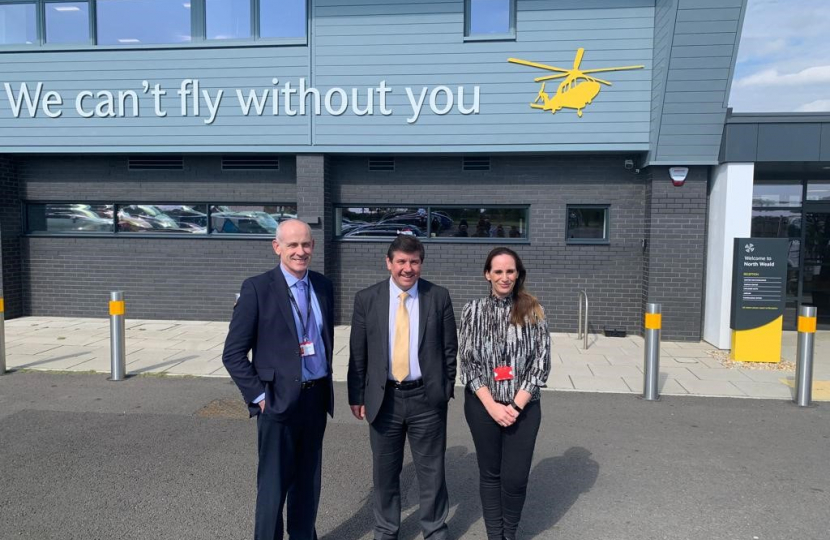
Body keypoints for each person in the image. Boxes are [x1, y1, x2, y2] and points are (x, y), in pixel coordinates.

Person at [222, 219, 334, 540]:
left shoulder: (324, 286)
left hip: (314, 401)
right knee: (273, 488)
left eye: (306, 244)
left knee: (307, 484)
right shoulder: (257, 288)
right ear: (277, 247)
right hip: (277, 403)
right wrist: (260, 398)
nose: (301, 252)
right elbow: (233, 354)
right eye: (293, 245)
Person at [348, 235, 458, 540]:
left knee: (432, 470)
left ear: (421, 263)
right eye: (401, 261)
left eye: (414, 262)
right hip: (385, 400)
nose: (407, 268)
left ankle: (435, 529)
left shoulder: (438, 296)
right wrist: (356, 395)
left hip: (427, 398)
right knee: (385, 473)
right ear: (389, 263)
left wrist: (444, 389)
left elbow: (450, 349)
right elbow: (358, 352)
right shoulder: (367, 299)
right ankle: (386, 530)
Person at [458, 247, 551, 540]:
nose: (504, 277)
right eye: (498, 271)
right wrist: (493, 406)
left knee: (515, 478)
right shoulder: (472, 311)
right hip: (482, 406)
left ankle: (508, 534)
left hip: (523, 408)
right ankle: (494, 535)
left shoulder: (533, 310)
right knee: (490, 474)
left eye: (510, 271)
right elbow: (468, 363)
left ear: (518, 274)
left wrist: (513, 405)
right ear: (488, 274)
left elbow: (541, 364)